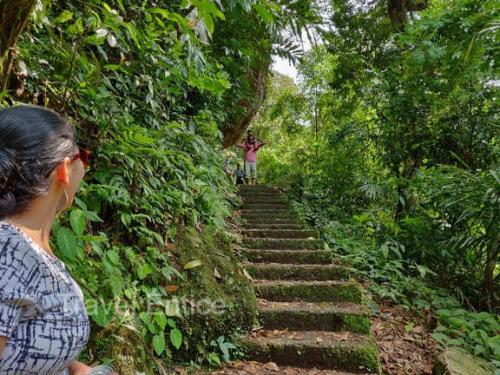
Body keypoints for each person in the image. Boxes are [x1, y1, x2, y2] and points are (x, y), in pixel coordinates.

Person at [0, 106, 116, 375]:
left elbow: (24, 346)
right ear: (63, 170)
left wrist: (78, 370)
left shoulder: (28, 247)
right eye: (82, 157)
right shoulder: (9, 251)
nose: (84, 167)